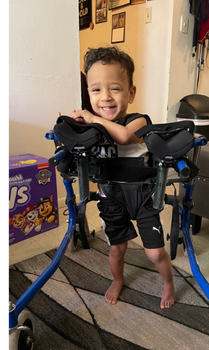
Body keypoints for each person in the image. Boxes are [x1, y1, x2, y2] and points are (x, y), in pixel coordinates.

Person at [70, 46, 175, 309]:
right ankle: (118, 279)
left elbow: (125, 136)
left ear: (131, 93)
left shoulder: (139, 121)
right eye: (96, 90)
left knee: (155, 252)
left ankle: (168, 282)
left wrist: (93, 117)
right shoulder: (92, 127)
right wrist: (76, 126)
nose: (105, 97)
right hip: (111, 197)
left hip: (144, 197)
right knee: (116, 249)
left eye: (115, 88)